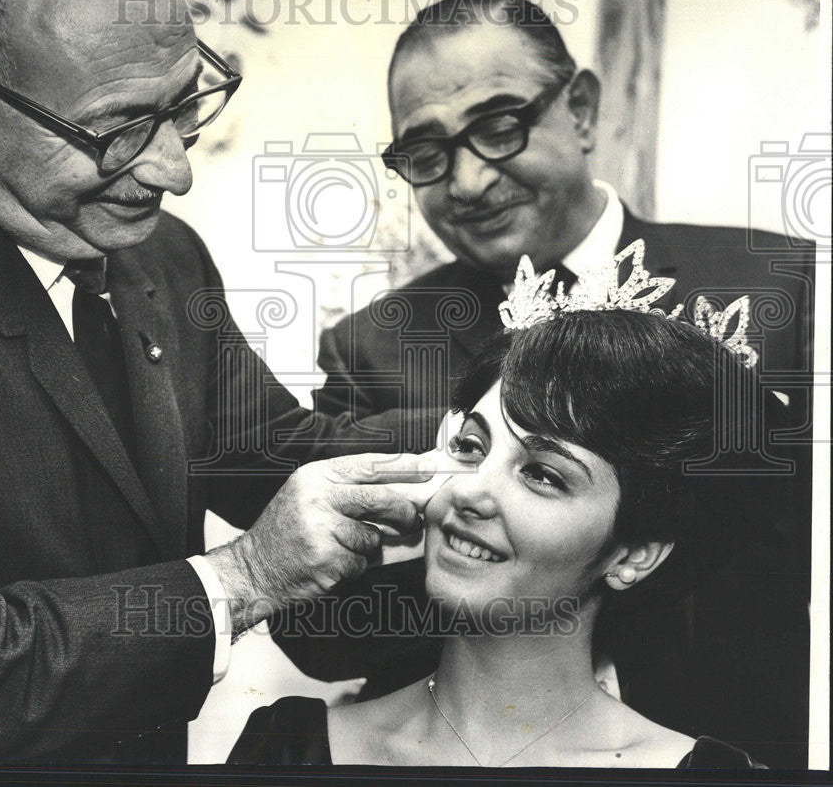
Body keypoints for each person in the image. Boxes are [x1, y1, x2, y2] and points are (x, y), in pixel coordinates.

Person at [0, 0, 433, 763]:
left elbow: (270, 453)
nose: (173, 171)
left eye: (185, 103)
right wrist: (242, 581)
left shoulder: (162, 257)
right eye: (120, 129)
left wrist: (495, 422)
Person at [302, 0, 814, 766]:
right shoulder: (373, 346)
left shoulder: (782, 293)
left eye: (499, 128)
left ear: (579, 109)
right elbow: (319, 635)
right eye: (427, 154)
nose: (467, 183)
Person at [231, 253, 776, 767]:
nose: (468, 491)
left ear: (635, 553)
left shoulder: (706, 774)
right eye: (470, 446)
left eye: (542, 474)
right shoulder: (289, 748)